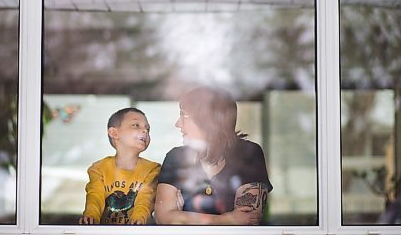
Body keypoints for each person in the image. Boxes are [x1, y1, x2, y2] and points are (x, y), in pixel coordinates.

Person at [154, 86, 273, 225]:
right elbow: (163, 217)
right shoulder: (176, 157)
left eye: (183, 115)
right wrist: (227, 219)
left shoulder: (249, 153)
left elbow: (247, 219)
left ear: (206, 120)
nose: (178, 124)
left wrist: (182, 217)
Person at [79, 107, 161, 225]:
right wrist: (91, 217)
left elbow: (145, 198)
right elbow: (95, 196)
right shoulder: (99, 168)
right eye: (136, 125)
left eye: (147, 128)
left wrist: (139, 220)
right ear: (114, 133)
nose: (145, 131)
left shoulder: (152, 169)